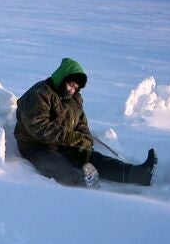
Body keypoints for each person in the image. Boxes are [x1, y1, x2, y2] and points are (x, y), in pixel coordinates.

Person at [14, 57, 157, 188]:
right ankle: (85, 190)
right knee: (60, 167)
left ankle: (137, 174)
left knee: (94, 158)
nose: (72, 90)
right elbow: (38, 126)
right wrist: (71, 138)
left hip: (62, 144)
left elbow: (81, 124)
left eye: (76, 88)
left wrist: (85, 140)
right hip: (36, 146)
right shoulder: (40, 93)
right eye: (70, 85)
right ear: (62, 78)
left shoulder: (74, 100)